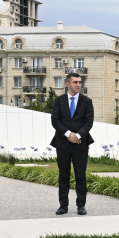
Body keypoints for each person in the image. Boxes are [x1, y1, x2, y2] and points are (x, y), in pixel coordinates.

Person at [51, 72, 94, 215]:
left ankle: (81, 206)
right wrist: (69, 135)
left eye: (80, 82)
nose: (78, 85)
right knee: (64, 176)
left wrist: (78, 136)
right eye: (75, 82)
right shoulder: (59, 101)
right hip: (63, 143)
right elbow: (55, 121)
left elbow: (88, 123)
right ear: (67, 84)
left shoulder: (87, 101)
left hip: (80, 144)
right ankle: (63, 206)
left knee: (80, 176)